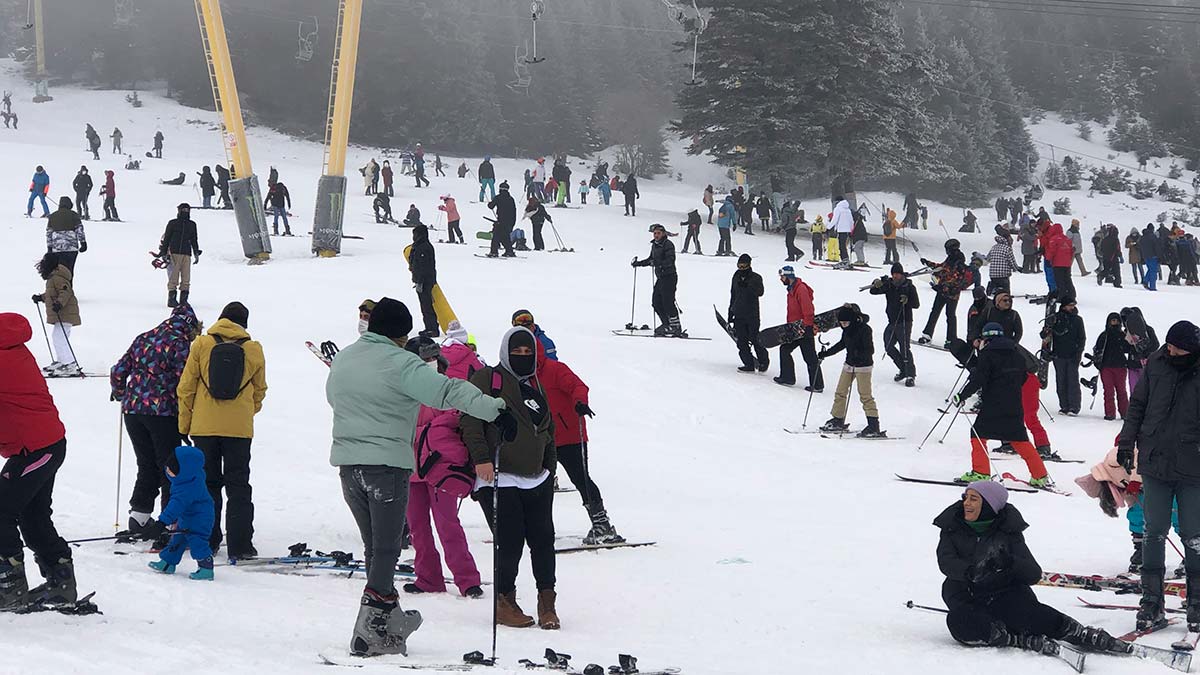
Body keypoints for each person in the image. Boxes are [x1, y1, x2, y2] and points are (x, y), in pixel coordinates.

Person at [327, 298, 508, 654]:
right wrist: (495, 409)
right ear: (399, 333)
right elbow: (446, 391)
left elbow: (334, 396)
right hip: (387, 465)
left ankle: (390, 615)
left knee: (375, 547)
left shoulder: (345, 357)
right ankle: (371, 628)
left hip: (349, 466)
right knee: (387, 547)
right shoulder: (401, 362)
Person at [934, 481, 1124, 653]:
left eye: (973, 499)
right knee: (959, 621)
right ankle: (1015, 639)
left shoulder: (1008, 530)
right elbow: (946, 561)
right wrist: (971, 571)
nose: (966, 503)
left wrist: (1010, 562)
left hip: (1004, 593)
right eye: (965, 498)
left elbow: (1033, 574)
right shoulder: (953, 527)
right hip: (966, 594)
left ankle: (1077, 633)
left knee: (1031, 615)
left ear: (989, 505)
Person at [461, 326, 559, 630]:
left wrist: (550, 465)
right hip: (498, 476)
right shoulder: (488, 379)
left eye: (527, 352)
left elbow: (547, 428)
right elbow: (470, 419)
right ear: (506, 352)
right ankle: (504, 600)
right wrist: (481, 458)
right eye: (516, 352)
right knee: (511, 541)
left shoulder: (536, 384)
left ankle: (547, 602)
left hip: (536, 477)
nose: (522, 356)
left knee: (543, 540)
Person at [1118, 320, 1200, 632]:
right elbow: (1138, 404)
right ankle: (1151, 602)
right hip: (1154, 461)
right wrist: (1127, 442)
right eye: (1168, 346)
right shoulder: (1157, 361)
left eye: (1176, 348)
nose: (1170, 351)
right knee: (1153, 532)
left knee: (1194, 535)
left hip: (1193, 466)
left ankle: (1197, 602)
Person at [176, 301, 267, 560]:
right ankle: (241, 545)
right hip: (239, 430)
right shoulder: (254, 349)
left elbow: (186, 388)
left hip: (204, 428)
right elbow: (260, 390)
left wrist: (185, 424)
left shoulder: (202, 345)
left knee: (207, 485)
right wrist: (245, 413)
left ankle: (207, 540)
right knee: (239, 486)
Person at [0, 313, 77, 608]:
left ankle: (11, 587)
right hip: (40, 446)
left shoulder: (4, 358)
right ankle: (61, 582)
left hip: (38, 448)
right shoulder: (11, 349)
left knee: (2, 510)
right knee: (32, 516)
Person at [111, 304, 200, 548]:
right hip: (162, 412)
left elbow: (118, 370)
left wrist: (119, 392)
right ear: (190, 325)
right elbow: (185, 379)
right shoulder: (180, 343)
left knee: (146, 463)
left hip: (132, 411)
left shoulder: (144, 337)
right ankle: (169, 524)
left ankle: (139, 517)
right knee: (169, 467)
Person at [403, 336, 485, 597]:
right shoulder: (402, 389)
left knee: (448, 524)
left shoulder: (450, 386)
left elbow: (461, 420)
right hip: (411, 467)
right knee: (417, 526)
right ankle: (428, 577)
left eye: (430, 357)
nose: (428, 362)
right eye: (422, 358)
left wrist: (431, 431)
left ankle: (468, 579)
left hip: (443, 468)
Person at [535, 340, 623, 545]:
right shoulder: (522, 376)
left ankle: (602, 525)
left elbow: (578, 386)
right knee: (537, 483)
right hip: (542, 438)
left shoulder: (556, 369)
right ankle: (539, 528)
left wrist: (580, 402)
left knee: (581, 478)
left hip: (570, 435)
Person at [953, 323, 1053, 487]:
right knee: (1019, 440)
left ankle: (980, 472)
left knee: (978, 434)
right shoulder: (1017, 354)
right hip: (1014, 404)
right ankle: (1040, 475)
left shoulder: (988, 355)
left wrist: (961, 396)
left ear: (986, 337)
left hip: (993, 403)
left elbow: (978, 379)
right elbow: (1023, 378)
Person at [140, 445, 216, 581]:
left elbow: (175, 507)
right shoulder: (187, 478)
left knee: (197, 541)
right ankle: (167, 563)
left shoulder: (188, 488)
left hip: (200, 518)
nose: (168, 470)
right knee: (178, 539)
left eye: (173, 469)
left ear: (186, 471)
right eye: (168, 466)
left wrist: (161, 523)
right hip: (188, 517)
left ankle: (206, 568)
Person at [818, 305, 883, 438]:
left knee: (865, 395)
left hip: (863, 366)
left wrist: (858, 354)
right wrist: (826, 354)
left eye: (846, 323)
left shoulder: (865, 329)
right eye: (841, 323)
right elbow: (842, 344)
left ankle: (873, 425)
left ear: (852, 320)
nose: (844, 325)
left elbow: (870, 350)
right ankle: (838, 419)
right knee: (840, 392)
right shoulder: (846, 330)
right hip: (849, 364)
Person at [869, 264, 919, 387]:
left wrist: (907, 300)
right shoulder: (889, 285)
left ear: (902, 274)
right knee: (888, 346)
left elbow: (916, 304)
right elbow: (873, 291)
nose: (895, 276)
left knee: (905, 349)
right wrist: (876, 282)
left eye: (897, 274)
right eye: (893, 274)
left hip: (905, 321)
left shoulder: (909, 286)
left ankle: (910, 375)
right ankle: (903, 369)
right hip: (892, 321)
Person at [32, 252, 80, 377]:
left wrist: (59, 303)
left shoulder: (57, 277)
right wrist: (40, 298)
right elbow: (51, 294)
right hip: (63, 313)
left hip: (65, 312)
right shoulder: (53, 277)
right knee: (59, 337)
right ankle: (61, 361)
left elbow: (65, 291)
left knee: (59, 338)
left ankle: (70, 364)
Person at [775, 266, 823, 391]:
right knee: (785, 349)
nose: (781, 279)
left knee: (810, 357)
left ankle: (817, 385)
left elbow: (808, 309)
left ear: (788, 276)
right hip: (795, 328)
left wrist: (808, 326)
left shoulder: (800, 289)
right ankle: (787, 377)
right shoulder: (791, 289)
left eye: (782, 277)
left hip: (804, 328)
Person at [631, 224, 681, 336]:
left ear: (663, 233)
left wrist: (658, 263)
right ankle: (667, 324)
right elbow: (651, 260)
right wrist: (638, 264)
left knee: (668, 302)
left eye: (658, 233)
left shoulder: (668, 244)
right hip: (661, 278)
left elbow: (670, 260)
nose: (656, 235)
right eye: (655, 233)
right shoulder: (654, 245)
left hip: (669, 277)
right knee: (656, 302)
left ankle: (676, 326)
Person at [919, 239, 970, 348]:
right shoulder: (950, 259)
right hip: (942, 291)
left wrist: (943, 287)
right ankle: (927, 334)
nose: (947, 252)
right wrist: (928, 263)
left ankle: (951, 340)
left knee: (950, 315)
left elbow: (956, 280)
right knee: (935, 312)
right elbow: (941, 268)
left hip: (952, 294)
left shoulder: (959, 262)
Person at [1041, 295, 1085, 416]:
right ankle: (1064, 406)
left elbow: (1082, 338)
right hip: (1058, 355)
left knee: (1072, 381)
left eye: (1073, 305)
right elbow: (1045, 334)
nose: (1072, 307)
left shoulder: (1077, 320)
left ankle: (1074, 406)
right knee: (1061, 381)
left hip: (1072, 355)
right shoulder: (1055, 318)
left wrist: (1078, 353)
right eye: (1070, 305)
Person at [728, 254, 769, 373]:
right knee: (741, 341)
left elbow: (760, 292)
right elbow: (733, 294)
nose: (741, 268)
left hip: (752, 314)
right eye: (739, 265)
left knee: (755, 339)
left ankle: (764, 361)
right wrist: (730, 312)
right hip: (738, 314)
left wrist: (748, 287)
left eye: (743, 266)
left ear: (749, 265)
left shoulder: (756, 278)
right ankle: (748, 363)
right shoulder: (736, 276)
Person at [158, 203, 201, 308]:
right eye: (183, 209)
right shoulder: (173, 223)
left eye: (187, 210)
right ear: (179, 210)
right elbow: (167, 238)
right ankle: (172, 299)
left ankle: (183, 300)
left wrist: (196, 252)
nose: (185, 211)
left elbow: (194, 239)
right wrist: (164, 252)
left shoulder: (192, 224)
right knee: (174, 276)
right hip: (174, 252)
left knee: (186, 277)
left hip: (187, 253)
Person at [1095, 312, 1132, 421]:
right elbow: (1098, 349)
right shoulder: (1104, 335)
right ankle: (1110, 413)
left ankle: (1125, 412)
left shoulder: (1122, 335)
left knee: (1121, 390)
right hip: (1106, 367)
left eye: (1117, 321)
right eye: (1113, 320)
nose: (1115, 323)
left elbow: (1127, 349)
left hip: (1120, 366)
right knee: (1108, 391)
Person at [46, 196, 86, 275]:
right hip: (71, 248)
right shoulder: (74, 215)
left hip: (57, 248)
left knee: (58, 271)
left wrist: (49, 248)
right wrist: (83, 243)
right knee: (69, 271)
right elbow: (79, 230)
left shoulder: (53, 216)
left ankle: (59, 286)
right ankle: (68, 286)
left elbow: (49, 233)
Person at [1045, 223, 1075, 300]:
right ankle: (1072, 295)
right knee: (1068, 279)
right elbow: (1072, 251)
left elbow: (1051, 251)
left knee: (1059, 280)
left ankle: (1062, 296)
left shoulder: (1054, 239)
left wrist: (1048, 259)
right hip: (1067, 264)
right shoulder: (1067, 239)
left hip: (1057, 263)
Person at [487, 181, 517, 258]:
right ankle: (509, 251)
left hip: (501, 221)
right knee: (505, 237)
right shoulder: (511, 199)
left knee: (496, 236)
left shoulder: (498, 197)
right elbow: (514, 211)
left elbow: (491, 206)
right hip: (510, 221)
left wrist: (489, 203)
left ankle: (494, 252)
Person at [830, 196, 854, 263]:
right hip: (847, 230)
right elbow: (851, 221)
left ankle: (845, 260)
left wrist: (828, 228)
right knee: (843, 245)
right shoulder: (848, 210)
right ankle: (845, 259)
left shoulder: (838, 209)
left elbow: (834, 220)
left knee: (841, 246)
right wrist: (851, 229)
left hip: (841, 229)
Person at [1140, 223, 1160, 290]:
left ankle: (1145, 281)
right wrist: (1159, 256)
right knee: (1153, 271)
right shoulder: (1153, 236)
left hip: (1145, 256)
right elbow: (1157, 247)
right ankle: (1152, 287)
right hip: (1153, 256)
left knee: (1150, 269)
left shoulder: (1142, 237)